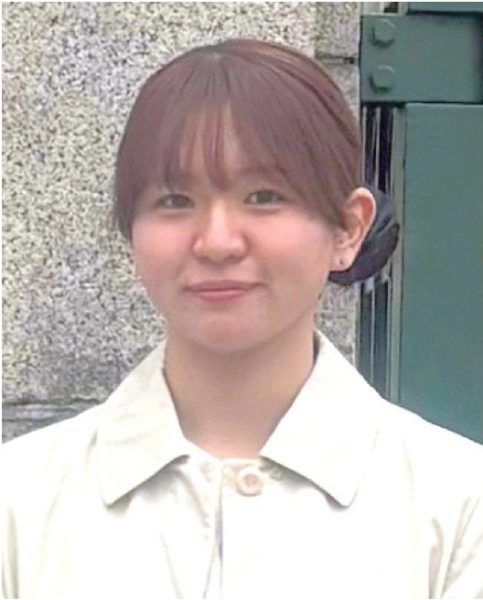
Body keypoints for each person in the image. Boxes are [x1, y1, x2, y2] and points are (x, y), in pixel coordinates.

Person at [2, 39, 482, 599]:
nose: (217, 242)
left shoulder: (456, 506)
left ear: (348, 228)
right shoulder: (20, 501)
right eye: (175, 201)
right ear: (132, 233)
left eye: (264, 196)